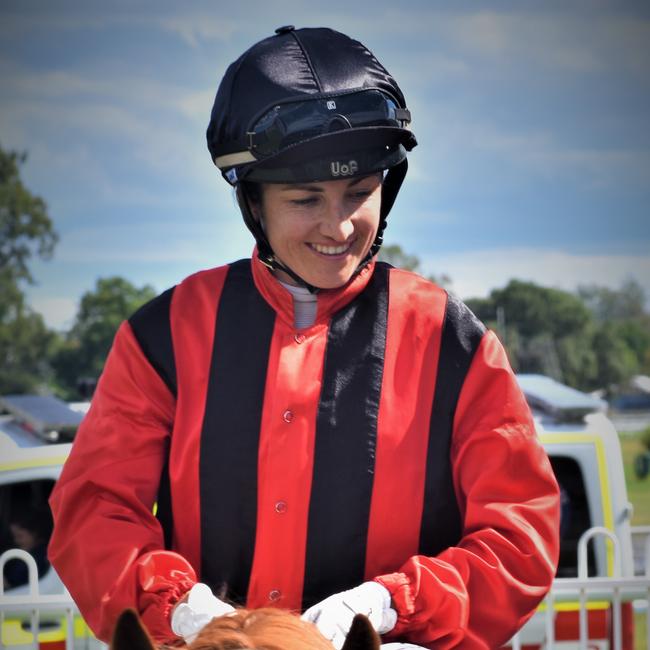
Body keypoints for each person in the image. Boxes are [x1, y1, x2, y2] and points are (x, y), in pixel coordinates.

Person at [49, 26, 560, 649]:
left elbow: (520, 534)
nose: (338, 225)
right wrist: (178, 605)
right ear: (254, 204)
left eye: (359, 193)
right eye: (305, 199)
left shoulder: (455, 341)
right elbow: (94, 512)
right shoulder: (163, 334)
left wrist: (394, 605)